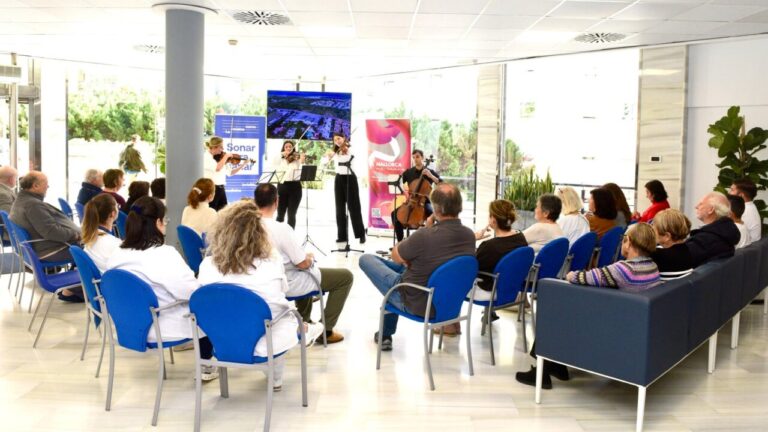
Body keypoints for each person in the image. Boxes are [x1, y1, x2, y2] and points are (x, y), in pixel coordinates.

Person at [517, 223, 662, 390]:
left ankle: (541, 373)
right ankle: (556, 365)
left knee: (555, 312)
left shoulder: (624, 269)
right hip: (631, 322)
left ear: (629, 242)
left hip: (614, 328)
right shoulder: (652, 266)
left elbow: (580, 277)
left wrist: (570, 274)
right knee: (565, 308)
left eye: (623, 240)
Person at [197, 200, 324, 389]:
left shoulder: (207, 266)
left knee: (268, 319)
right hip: (266, 342)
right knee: (281, 320)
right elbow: (277, 305)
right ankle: (300, 337)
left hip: (222, 341)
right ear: (259, 232)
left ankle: (294, 342)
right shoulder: (271, 263)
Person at [106, 196, 218, 381]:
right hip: (161, 327)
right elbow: (191, 293)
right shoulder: (164, 254)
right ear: (157, 222)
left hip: (128, 326)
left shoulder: (116, 254)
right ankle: (207, 363)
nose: (165, 225)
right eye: (164, 220)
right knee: (207, 304)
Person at [359, 183, 475, 350]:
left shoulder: (425, 235)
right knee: (403, 269)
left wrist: (425, 231)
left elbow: (396, 256)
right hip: (448, 304)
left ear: (436, 209)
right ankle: (385, 334)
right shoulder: (469, 235)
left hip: (416, 301)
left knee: (366, 259)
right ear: (460, 206)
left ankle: (385, 334)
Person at [255, 184, 353, 344]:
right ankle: (325, 330)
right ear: (276, 201)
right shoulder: (280, 229)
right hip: (285, 282)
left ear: (255, 201)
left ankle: (304, 320)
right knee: (345, 277)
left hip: (260, 282)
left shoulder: (246, 226)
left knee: (301, 269)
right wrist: (309, 258)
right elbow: (301, 263)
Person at [10, 171, 82, 301]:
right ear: (35, 186)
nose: (48, 187)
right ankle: (73, 290)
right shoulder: (33, 205)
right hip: (49, 250)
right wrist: (76, 235)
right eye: (46, 184)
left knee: (88, 249)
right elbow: (51, 232)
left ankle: (75, 284)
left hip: (42, 247)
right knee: (93, 252)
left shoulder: (22, 200)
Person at [474, 199, 528, 301]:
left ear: (493, 220)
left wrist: (472, 240)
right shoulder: (521, 237)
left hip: (490, 291)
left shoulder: (489, 246)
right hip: (511, 289)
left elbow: (472, 269)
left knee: (455, 284)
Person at [391, 150, 441, 242]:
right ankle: (400, 242)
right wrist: (404, 192)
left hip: (424, 202)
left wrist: (431, 176)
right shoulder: (409, 172)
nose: (415, 159)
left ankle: (434, 241)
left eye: (417, 157)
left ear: (422, 157)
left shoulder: (429, 172)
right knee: (394, 214)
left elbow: (441, 182)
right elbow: (400, 182)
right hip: (410, 201)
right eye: (413, 157)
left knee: (434, 215)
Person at [327, 132, 366, 245]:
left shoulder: (350, 149)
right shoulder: (335, 151)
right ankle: (342, 236)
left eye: (339, 138)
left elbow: (352, 157)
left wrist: (345, 150)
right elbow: (324, 161)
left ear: (344, 138)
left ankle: (361, 234)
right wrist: (329, 156)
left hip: (350, 178)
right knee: (339, 209)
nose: (337, 141)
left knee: (354, 208)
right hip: (339, 179)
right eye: (335, 140)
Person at [686, 191, 740, 267]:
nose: (696, 206)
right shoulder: (725, 233)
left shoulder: (704, 240)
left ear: (711, 210)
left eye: (701, 204)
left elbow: (679, 261)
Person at [203, 136, 248, 211]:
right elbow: (217, 168)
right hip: (211, 189)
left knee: (223, 212)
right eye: (221, 147)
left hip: (221, 189)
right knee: (212, 211)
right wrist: (226, 157)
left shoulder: (221, 158)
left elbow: (230, 173)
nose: (222, 149)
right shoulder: (206, 157)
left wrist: (243, 165)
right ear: (214, 147)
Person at [81, 194, 121, 273]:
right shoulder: (114, 244)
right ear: (113, 214)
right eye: (118, 206)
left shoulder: (89, 236)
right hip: (112, 282)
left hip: (103, 281)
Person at [650, 209, 693, 280]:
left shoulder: (658, 255)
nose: (652, 230)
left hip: (662, 290)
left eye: (654, 228)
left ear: (667, 236)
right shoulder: (687, 249)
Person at [275, 140, 305, 229]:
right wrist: (281, 155)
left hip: (295, 187)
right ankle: (278, 237)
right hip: (282, 186)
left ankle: (291, 236)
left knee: (292, 214)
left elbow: (302, 163)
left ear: (293, 148)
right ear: (283, 148)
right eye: (286, 147)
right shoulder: (279, 158)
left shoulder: (296, 158)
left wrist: (302, 158)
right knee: (280, 214)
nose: (288, 148)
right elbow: (273, 162)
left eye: (290, 147)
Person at [729, 178, 761, 243]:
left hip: (743, 250)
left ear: (741, 195)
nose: (729, 192)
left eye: (732, 190)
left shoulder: (743, 211)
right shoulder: (751, 206)